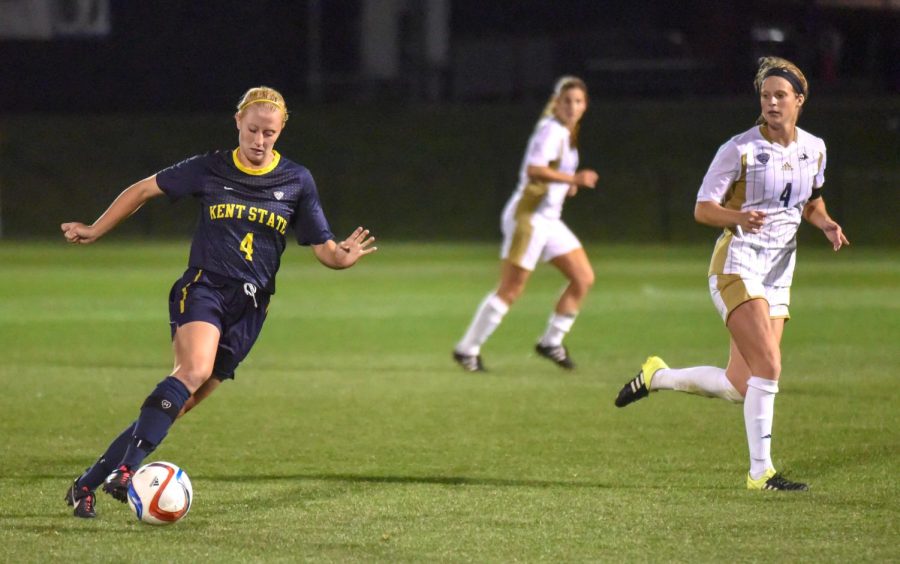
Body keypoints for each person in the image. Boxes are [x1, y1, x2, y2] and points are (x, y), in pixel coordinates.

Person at [61, 86, 377, 518]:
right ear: (237, 123)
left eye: (269, 133)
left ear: (281, 130)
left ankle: (85, 486)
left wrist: (342, 258)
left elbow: (321, 245)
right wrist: (96, 229)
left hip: (251, 310)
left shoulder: (296, 180)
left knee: (179, 404)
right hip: (205, 287)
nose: (259, 140)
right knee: (191, 371)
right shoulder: (210, 167)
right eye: (252, 130)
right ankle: (126, 471)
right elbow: (141, 191)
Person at [614, 57, 849, 491]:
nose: (772, 103)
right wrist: (737, 215)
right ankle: (761, 473)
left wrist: (826, 222)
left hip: (779, 271)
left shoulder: (814, 147)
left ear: (800, 100)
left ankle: (657, 376)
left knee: (742, 384)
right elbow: (703, 209)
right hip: (737, 263)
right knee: (770, 364)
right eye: (766, 96)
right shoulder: (738, 149)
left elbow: (811, 201)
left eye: (781, 96)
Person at [453, 76, 599, 372]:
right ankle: (467, 349)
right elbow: (535, 169)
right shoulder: (551, 130)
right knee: (510, 289)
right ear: (556, 104)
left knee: (583, 277)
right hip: (528, 218)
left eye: (578, 101)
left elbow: (551, 172)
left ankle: (551, 342)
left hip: (548, 220)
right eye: (567, 101)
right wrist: (573, 179)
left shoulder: (567, 135)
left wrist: (566, 185)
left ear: (585, 106)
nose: (573, 106)